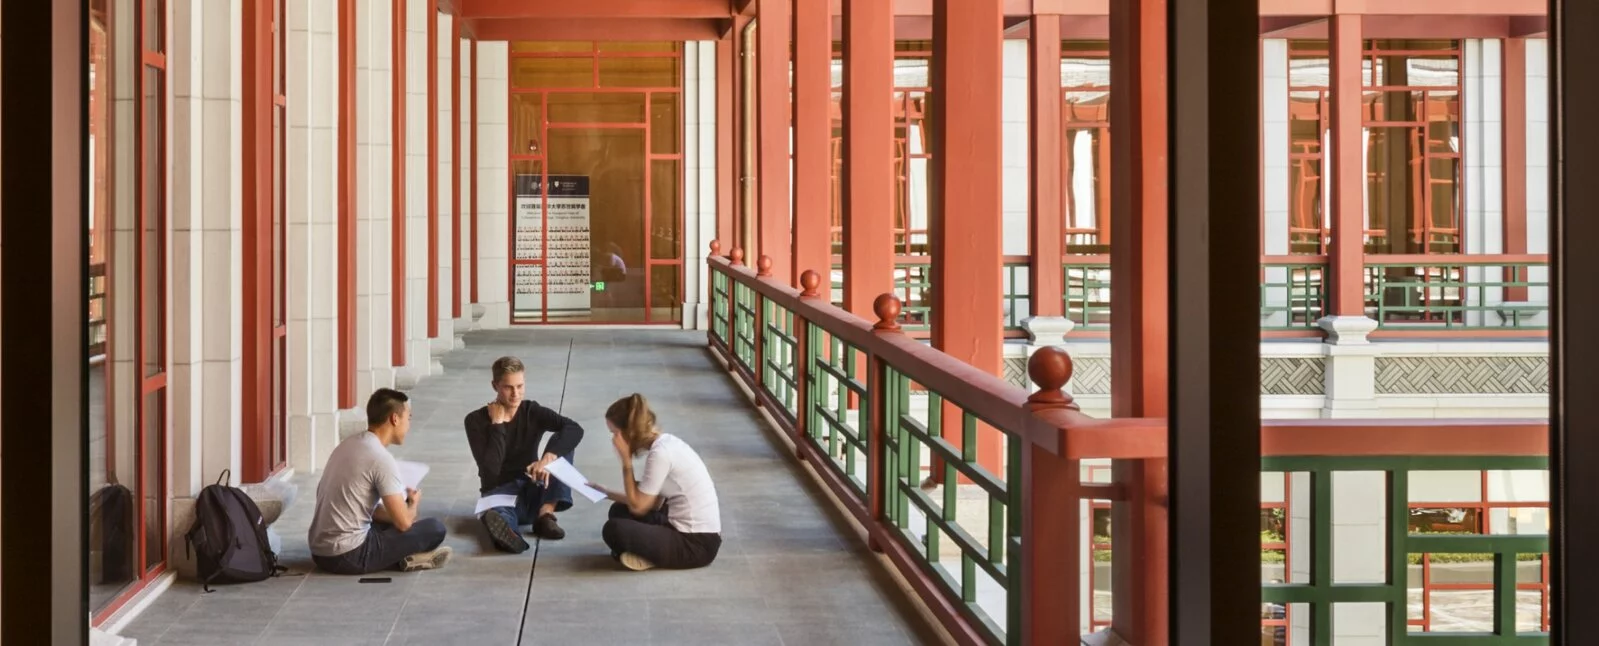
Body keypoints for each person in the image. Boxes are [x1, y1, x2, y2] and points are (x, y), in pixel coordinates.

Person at [308, 388, 450, 574]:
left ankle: (403, 556)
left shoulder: (349, 444)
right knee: (434, 528)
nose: (409, 424)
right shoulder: (380, 458)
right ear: (394, 419)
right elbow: (404, 524)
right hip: (349, 555)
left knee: (392, 522)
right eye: (409, 418)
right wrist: (412, 504)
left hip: (320, 553)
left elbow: (371, 512)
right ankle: (405, 558)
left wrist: (400, 513)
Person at [464, 356, 585, 553]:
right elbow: (490, 471)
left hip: (535, 488)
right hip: (500, 492)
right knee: (499, 514)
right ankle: (509, 534)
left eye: (520, 386)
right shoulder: (475, 421)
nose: (515, 394)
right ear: (495, 386)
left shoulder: (531, 411)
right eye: (508, 387)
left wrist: (547, 458)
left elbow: (574, 428)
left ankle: (545, 516)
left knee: (562, 446)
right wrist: (497, 426)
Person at [588, 394, 722, 571]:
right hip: (683, 528)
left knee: (613, 529)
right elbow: (654, 503)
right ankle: (645, 553)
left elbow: (639, 507)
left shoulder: (661, 454)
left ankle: (650, 556)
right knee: (618, 510)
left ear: (628, 433)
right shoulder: (665, 443)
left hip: (695, 544)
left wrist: (626, 461)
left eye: (615, 434)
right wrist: (606, 493)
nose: (613, 441)